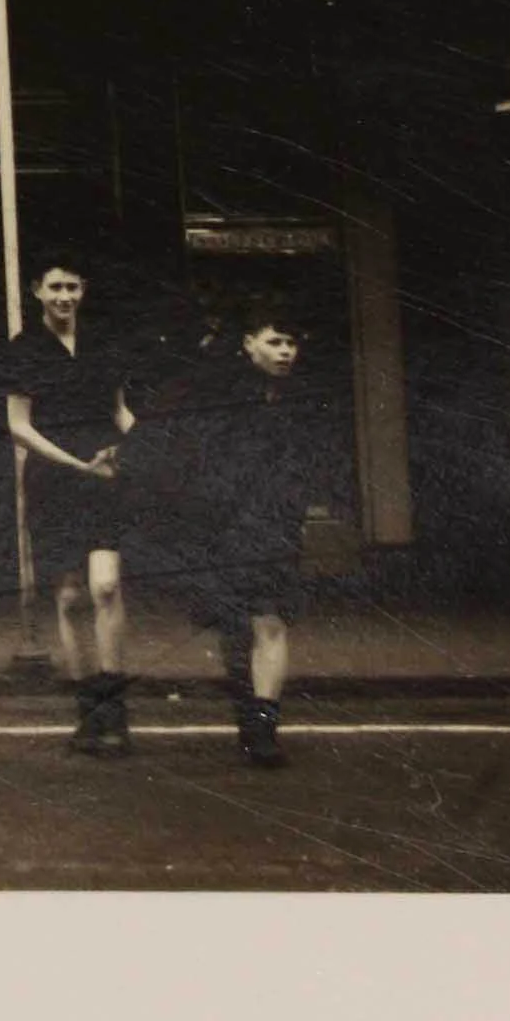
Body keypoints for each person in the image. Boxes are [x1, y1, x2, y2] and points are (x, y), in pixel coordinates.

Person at [136, 306, 337, 768]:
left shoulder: (303, 399)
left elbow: (313, 458)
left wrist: (295, 503)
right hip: (221, 525)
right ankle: (249, 715)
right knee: (233, 628)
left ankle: (265, 726)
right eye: (275, 342)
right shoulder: (220, 391)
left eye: (290, 344)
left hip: (273, 524)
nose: (286, 352)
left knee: (269, 620)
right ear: (249, 343)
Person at [0, 256, 139, 756]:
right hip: (56, 480)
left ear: (84, 290)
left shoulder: (103, 344)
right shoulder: (24, 350)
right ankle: (89, 714)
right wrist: (77, 464)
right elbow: (19, 426)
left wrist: (135, 448)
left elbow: (120, 412)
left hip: (105, 476)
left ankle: (116, 714)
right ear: (37, 290)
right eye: (54, 286)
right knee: (70, 597)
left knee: (105, 587)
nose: (64, 297)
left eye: (72, 287)